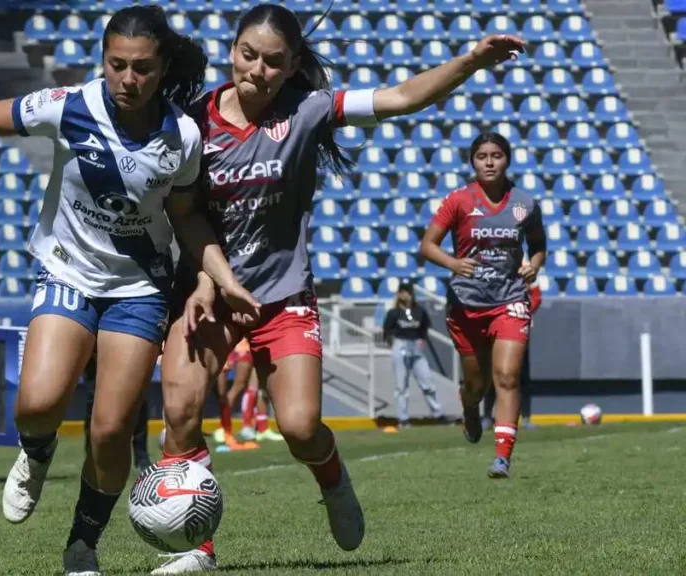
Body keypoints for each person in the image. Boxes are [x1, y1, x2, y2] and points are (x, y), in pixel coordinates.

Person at [0, 7, 256, 574]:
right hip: (68, 271)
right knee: (38, 405)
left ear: (162, 67)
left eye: (141, 68)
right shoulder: (68, 106)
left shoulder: (183, 136)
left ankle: (83, 542)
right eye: (116, 65)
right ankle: (37, 453)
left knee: (112, 429)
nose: (127, 79)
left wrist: (218, 276)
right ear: (102, 61)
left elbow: (186, 217)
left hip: (139, 287)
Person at [156, 4, 526, 571]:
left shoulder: (309, 110)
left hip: (282, 298)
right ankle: (198, 548)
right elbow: (184, 214)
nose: (256, 69)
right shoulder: (192, 122)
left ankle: (333, 479)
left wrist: (473, 59)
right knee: (180, 410)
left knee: (301, 428)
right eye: (247, 54)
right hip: (210, 293)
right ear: (232, 49)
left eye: (273, 61)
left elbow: (402, 98)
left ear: (293, 65)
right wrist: (208, 278)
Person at [419, 132, 547, 479]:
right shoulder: (458, 201)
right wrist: (453, 263)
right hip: (467, 304)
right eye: (481, 156)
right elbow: (427, 245)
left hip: (510, 300)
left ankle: (502, 456)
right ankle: (470, 407)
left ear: (508, 159)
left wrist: (533, 266)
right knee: (477, 384)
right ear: (472, 161)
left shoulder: (524, 203)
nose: (489, 162)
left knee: (506, 376)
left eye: (496, 155)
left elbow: (538, 246)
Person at [382, 282, 444, 428]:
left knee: (427, 381)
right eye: (401, 292)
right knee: (401, 385)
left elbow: (424, 326)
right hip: (400, 344)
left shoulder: (419, 311)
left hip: (416, 346)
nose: (404, 295)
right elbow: (387, 331)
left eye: (407, 292)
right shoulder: (393, 313)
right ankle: (403, 418)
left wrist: (422, 339)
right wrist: (394, 343)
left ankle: (438, 414)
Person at [483, 276, 542, 429]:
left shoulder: (524, 270)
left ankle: (526, 417)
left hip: (520, 331)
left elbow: (536, 296)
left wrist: (521, 311)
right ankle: (488, 416)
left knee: (522, 379)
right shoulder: (496, 270)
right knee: (494, 375)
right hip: (499, 330)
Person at [82, 351, 152, 473]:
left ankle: (142, 456)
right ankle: (92, 454)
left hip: (129, 339)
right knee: (94, 398)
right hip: (94, 345)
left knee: (137, 393)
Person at [212, 338, 259, 451]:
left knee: (248, 388)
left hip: (245, 345)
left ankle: (238, 428)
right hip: (241, 346)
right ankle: (224, 429)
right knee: (236, 387)